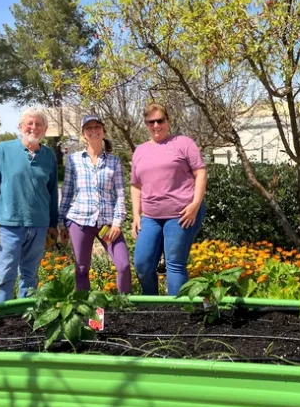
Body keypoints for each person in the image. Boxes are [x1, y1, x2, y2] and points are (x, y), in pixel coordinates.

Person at [131, 103, 207, 296]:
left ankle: (176, 312)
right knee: (142, 264)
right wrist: (136, 215)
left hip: (181, 214)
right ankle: (152, 306)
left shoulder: (183, 143)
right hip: (151, 216)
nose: (156, 125)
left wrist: (195, 205)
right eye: (151, 122)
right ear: (146, 124)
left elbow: (200, 173)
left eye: (160, 120)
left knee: (174, 263)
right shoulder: (140, 151)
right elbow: (135, 185)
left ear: (168, 121)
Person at [0, 107, 59, 304]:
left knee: (30, 276)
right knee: (4, 275)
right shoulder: (3, 150)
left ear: (45, 129)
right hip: (10, 224)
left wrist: (53, 223)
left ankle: (25, 319)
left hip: (39, 225)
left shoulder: (49, 156)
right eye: (30, 123)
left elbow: (52, 192)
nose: (34, 127)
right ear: (20, 126)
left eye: (39, 124)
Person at [59, 115, 132, 293]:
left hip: (106, 225)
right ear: (83, 134)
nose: (93, 131)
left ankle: (124, 305)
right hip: (80, 222)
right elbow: (67, 193)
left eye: (96, 127)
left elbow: (120, 195)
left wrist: (117, 223)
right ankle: (85, 309)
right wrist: (62, 224)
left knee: (123, 266)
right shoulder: (74, 160)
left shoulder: (114, 161)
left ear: (103, 131)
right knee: (82, 269)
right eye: (88, 128)